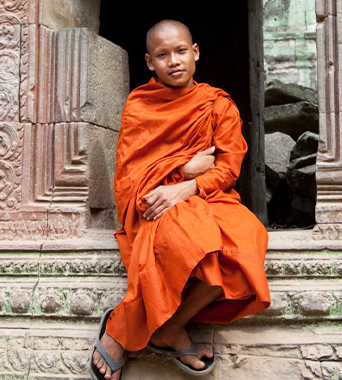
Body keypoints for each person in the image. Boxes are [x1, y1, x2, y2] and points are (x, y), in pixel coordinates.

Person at [90, 20, 271, 380]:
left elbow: (228, 170)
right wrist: (183, 170)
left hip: (210, 197)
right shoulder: (140, 105)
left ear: (196, 52)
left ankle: (166, 326)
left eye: (181, 51)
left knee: (247, 241)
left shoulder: (218, 105)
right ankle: (129, 331)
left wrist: (188, 185)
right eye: (162, 55)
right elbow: (130, 175)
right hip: (153, 201)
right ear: (149, 62)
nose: (173, 61)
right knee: (197, 245)